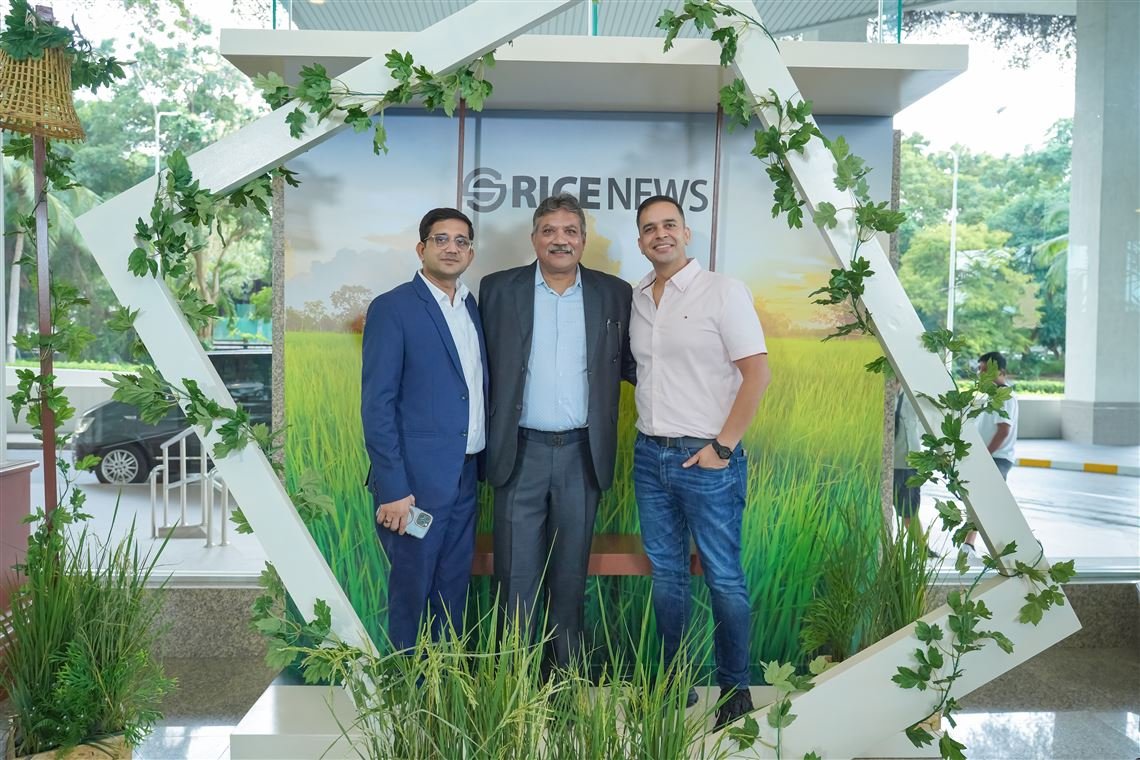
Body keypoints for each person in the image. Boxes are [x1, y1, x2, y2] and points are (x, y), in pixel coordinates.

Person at [629, 195, 771, 730]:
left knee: (723, 578)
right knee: (667, 577)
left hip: (707, 458)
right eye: (649, 228)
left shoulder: (723, 291)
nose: (660, 234)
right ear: (640, 241)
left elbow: (757, 373)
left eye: (669, 224)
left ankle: (735, 690)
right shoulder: (638, 297)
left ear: (687, 233)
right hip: (650, 455)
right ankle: (675, 681)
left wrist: (723, 449)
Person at [479, 193, 635, 672]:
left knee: (569, 580)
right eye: (549, 231)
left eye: (570, 231)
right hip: (519, 453)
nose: (559, 240)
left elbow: (638, 363)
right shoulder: (497, 289)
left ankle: (563, 684)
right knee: (515, 580)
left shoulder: (615, 293)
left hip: (582, 456)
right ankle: (514, 685)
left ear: (584, 240)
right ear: (534, 239)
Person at [361, 207, 488, 649]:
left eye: (461, 241)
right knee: (413, 588)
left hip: (464, 476)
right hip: (413, 487)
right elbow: (377, 405)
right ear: (421, 248)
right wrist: (394, 489)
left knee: (452, 585)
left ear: (470, 253)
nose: (452, 248)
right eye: (441, 239)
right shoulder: (393, 308)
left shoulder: (469, 306)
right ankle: (406, 685)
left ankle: (442, 682)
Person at [963, 351, 1018, 558]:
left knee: (988, 503)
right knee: (981, 502)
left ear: (1001, 372)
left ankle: (1010, 545)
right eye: (979, 369)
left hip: (997, 458)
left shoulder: (1005, 396)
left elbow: (1003, 430)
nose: (980, 374)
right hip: (988, 458)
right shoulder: (990, 396)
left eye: (985, 370)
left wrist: (985, 456)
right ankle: (969, 545)